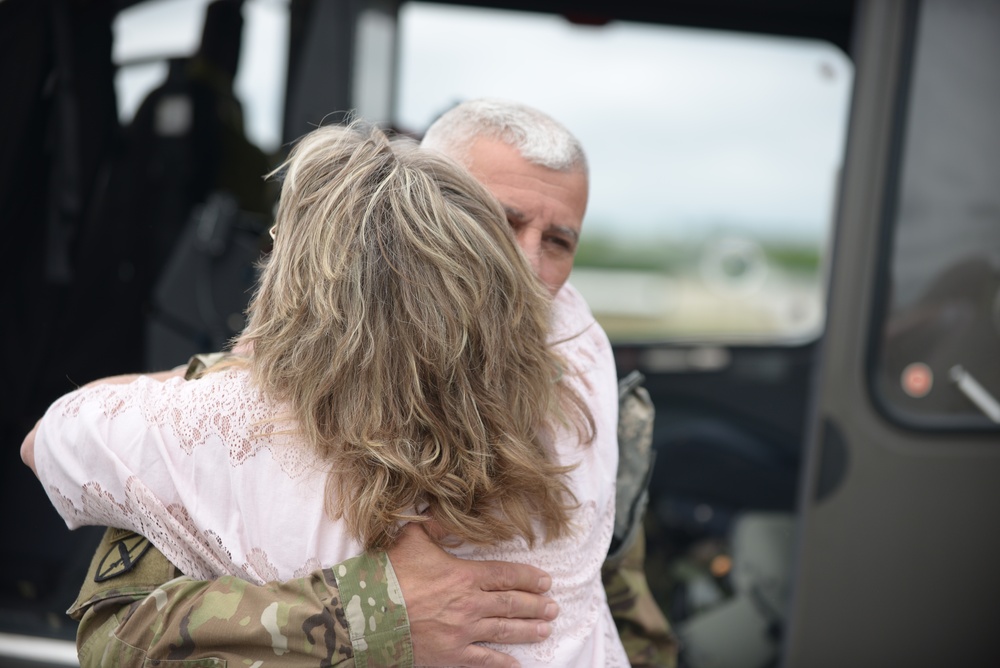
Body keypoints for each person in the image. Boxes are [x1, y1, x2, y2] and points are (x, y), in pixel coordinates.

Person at [53, 98, 677, 667]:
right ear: (417, 212)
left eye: (558, 240)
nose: (527, 264)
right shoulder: (232, 420)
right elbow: (123, 637)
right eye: (497, 222)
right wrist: (366, 614)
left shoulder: (600, 406)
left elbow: (614, 609)